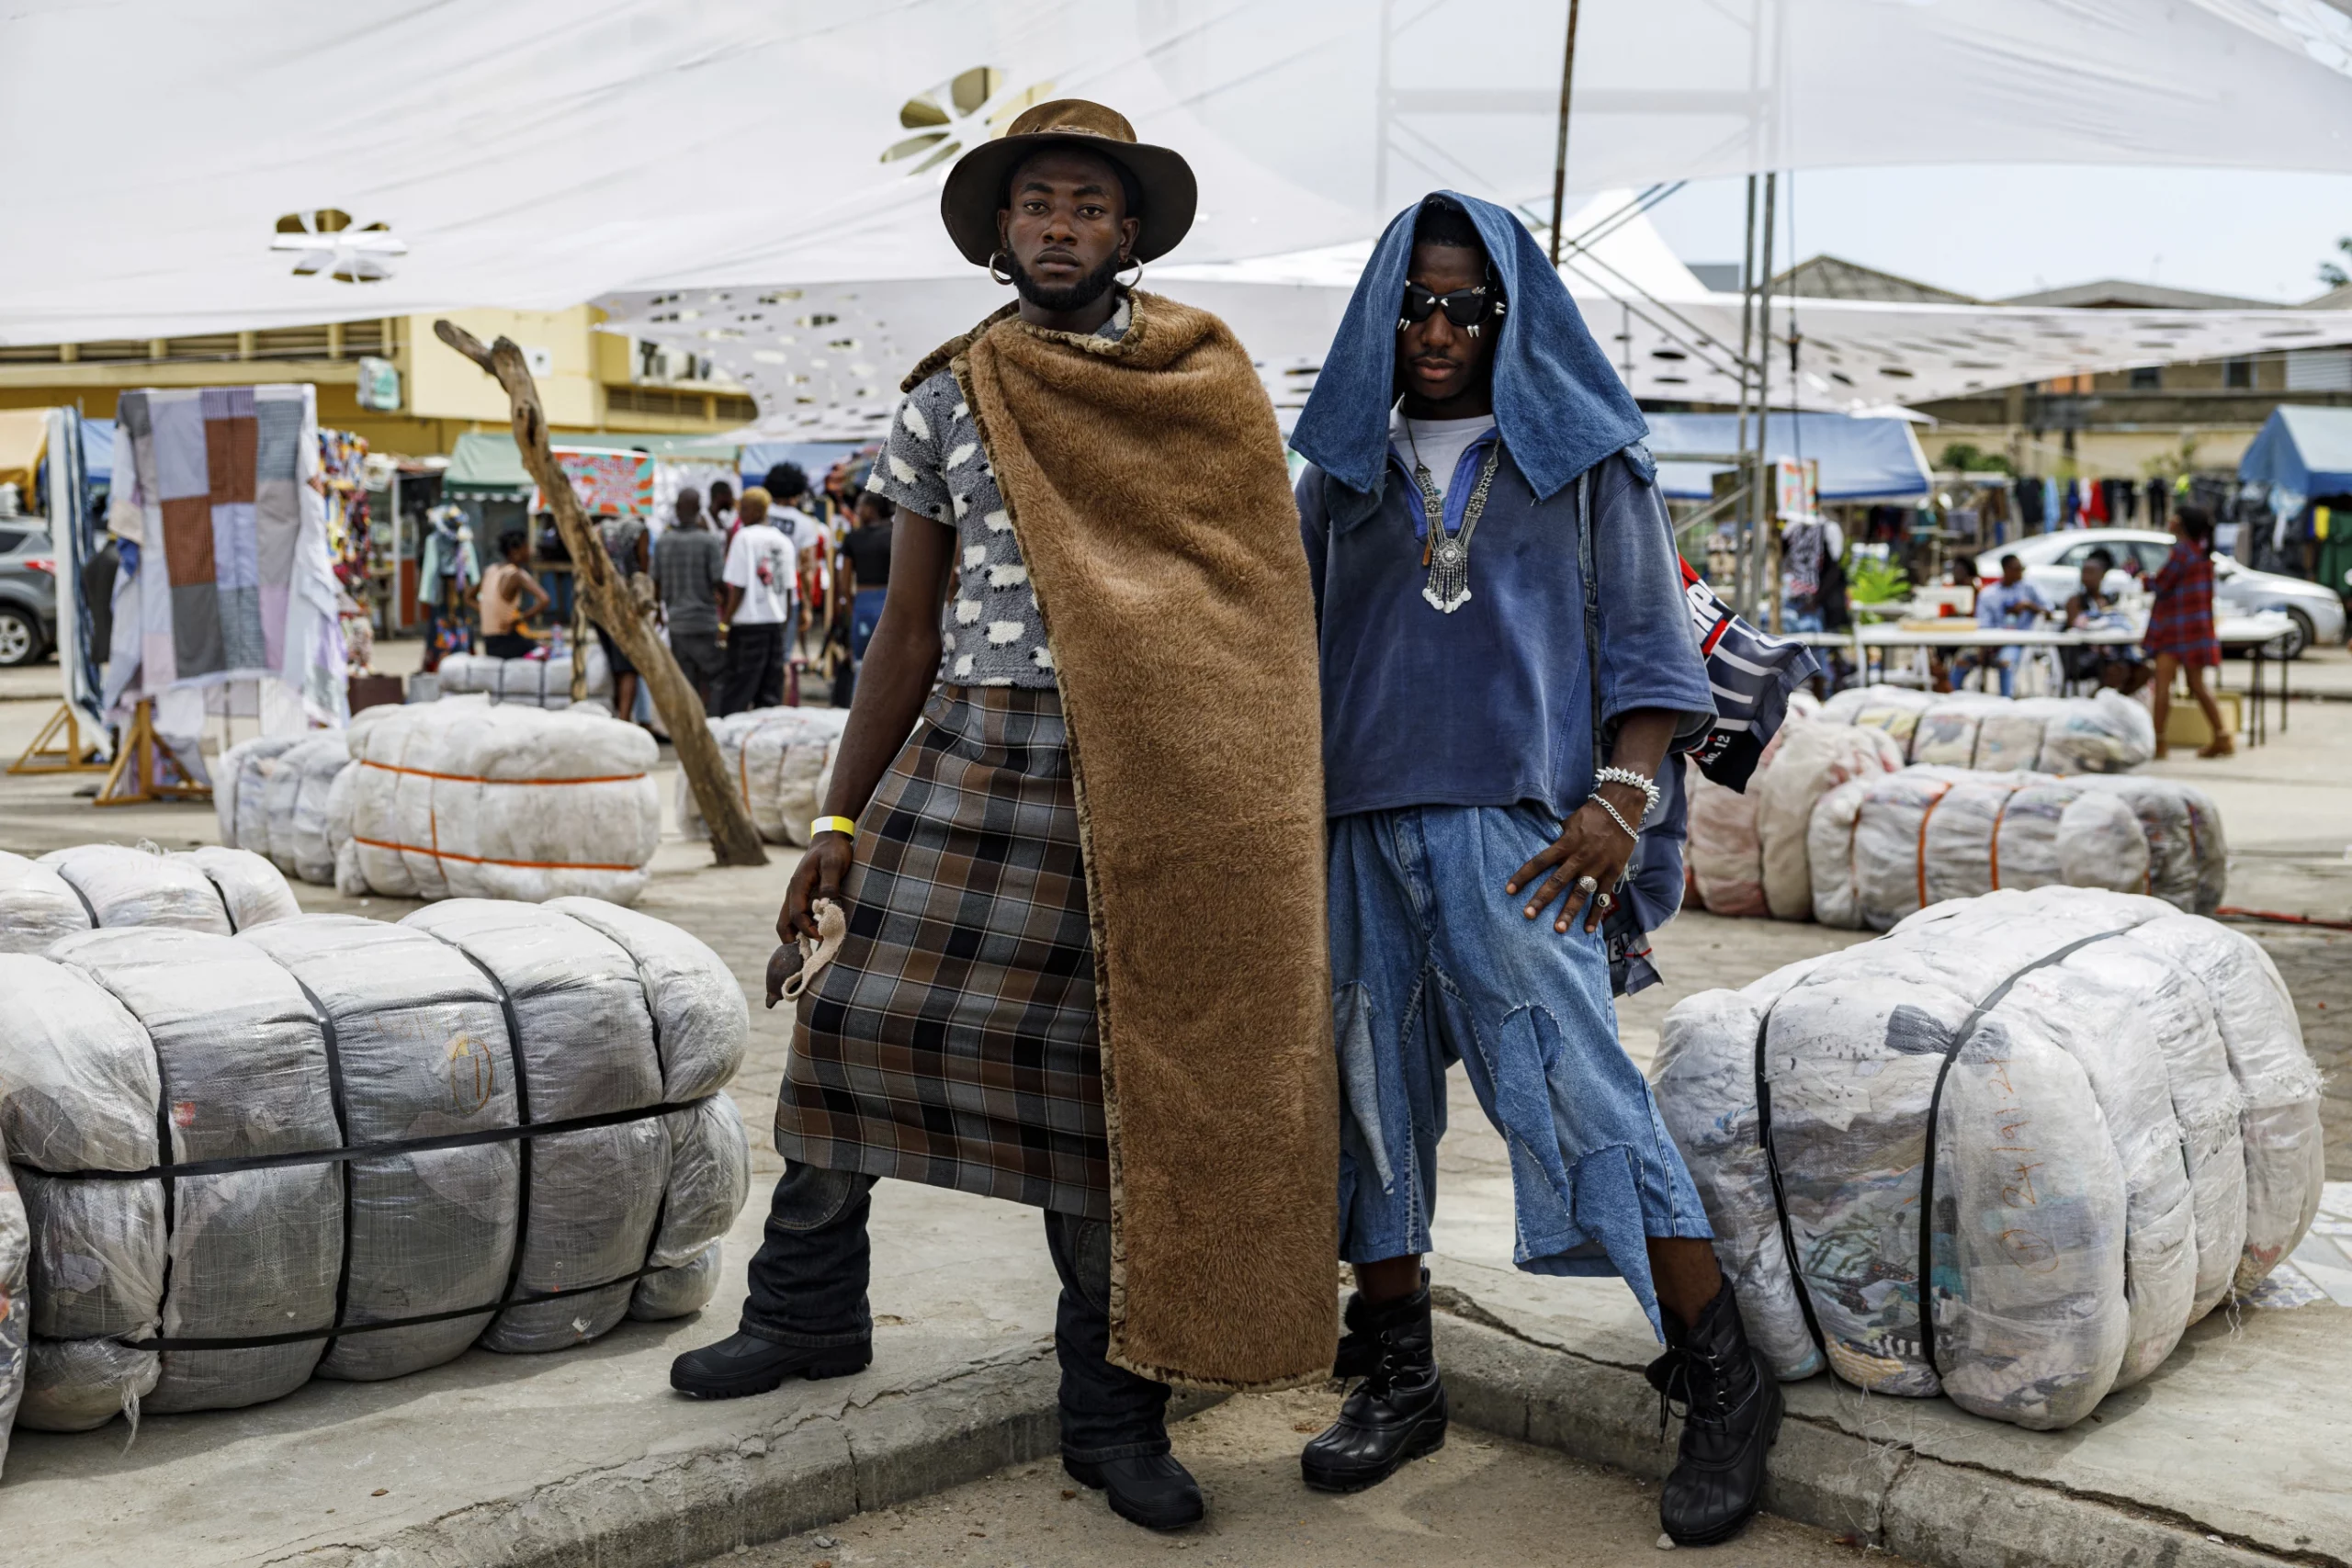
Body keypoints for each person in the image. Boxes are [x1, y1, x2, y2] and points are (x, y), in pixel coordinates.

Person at [669, 98, 1338, 1537]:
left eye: (1089, 207)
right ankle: (803, 1311)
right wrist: (837, 823)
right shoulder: (945, 396)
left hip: (1150, 775)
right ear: (998, 231)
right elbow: (904, 629)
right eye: (1036, 205)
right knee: (851, 1017)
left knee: (1118, 1084)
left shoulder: (1204, 380)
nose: (1060, 229)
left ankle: (1112, 1410)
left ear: (1132, 231)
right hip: (975, 743)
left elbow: (1254, 613)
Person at [1290, 192, 1771, 1549]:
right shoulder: (1340, 469)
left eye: (1467, 307)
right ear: (1382, 313)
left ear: (1509, 316)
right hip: (1355, 823)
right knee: (1367, 1098)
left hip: (1525, 836)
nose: (1438, 331)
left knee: (1576, 1089)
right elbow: (1289, 658)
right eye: (1415, 305)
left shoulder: (1586, 457)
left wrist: (1622, 798)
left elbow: (1649, 651)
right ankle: (1399, 1371)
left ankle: (1719, 1373)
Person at [2150, 505, 2233, 758]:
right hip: (2196, 630)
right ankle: (2222, 736)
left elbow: (2161, 584)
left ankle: (2159, 742)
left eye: (2174, 517)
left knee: (2163, 686)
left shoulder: (2182, 553)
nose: (2170, 520)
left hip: (2175, 630)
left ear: (2182, 524)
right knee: (2197, 685)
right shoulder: (2201, 554)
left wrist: (2141, 578)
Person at [717, 486, 795, 714]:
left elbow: (738, 588)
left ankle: (728, 745)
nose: (740, 515)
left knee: (737, 693)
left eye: (742, 509)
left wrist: (724, 624)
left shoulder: (744, 538)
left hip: (747, 626)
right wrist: (784, 624)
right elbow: (789, 590)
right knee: (769, 695)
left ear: (752, 510)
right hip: (774, 626)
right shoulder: (784, 541)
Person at [654, 485, 726, 710]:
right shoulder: (708, 541)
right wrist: (725, 602)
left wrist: (659, 612)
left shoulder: (663, 541)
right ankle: (713, 725)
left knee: (686, 683)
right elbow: (719, 581)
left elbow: (655, 583)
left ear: (677, 509)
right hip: (703, 622)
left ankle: (692, 733)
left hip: (677, 623)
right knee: (716, 676)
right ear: (698, 509)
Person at [831, 476, 892, 708]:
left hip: (864, 603)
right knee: (890, 660)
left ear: (869, 508)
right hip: (891, 601)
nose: (856, 512)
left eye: (859, 507)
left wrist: (849, 605)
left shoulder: (853, 539)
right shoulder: (895, 534)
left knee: (861, 662)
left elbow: (844, 582)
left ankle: (859, 709)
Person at [1955, 553, 2050, 694]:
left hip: (2016, 642)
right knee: (1961, 661)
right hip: (1989, 642)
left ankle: (2006, 701)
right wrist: (1984, 646)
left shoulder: (2029, 589)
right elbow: (1983, 625)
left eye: (2022, 568)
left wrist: (2029, 606)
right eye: (2017, 569)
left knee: (2006, 661)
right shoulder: (1990, 593)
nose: (2021, 572)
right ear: (2005, 569)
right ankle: (1951, 697)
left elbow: (2050, 611)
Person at [2061, 547, 2151, 695]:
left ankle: (2112, 703)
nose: (2086, 577)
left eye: (2091, 572)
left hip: (2113, 652)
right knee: (2117, 670)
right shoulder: (2075, 601)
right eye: (2084, 572)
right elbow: (2075, 627)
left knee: (2144, 670)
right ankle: (2094, 703)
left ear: (2102, 576)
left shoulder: (2110, 600)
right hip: (2084, 657)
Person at [763, 462, 829, 658]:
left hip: (756, 594)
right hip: (787, 597)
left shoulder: (760, 514)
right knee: (782, 658)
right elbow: (807, 569)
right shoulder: (805, 524)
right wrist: (806, 607)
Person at [596, 508, 650, 726]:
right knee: (629, 666)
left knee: (616, 665)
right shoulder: (639, 530)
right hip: (626, 604)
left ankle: (620, 715)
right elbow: (643, 566)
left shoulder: (599, 530)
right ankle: (625, 720)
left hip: (601, 602)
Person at [476, 531, 548, 660]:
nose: (530, 551)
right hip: (506, 642)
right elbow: (545, 600)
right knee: (544, 650)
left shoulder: (490, 570)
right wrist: (520, 618)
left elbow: (468, 597)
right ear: (515, 551)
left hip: (489, 643)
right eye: (526, 547)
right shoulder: (516, 574)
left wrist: (489, 611)